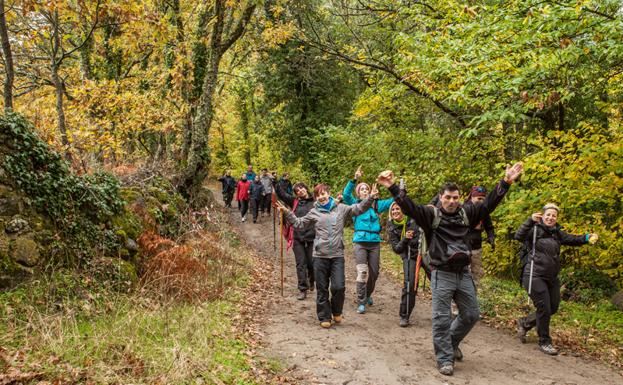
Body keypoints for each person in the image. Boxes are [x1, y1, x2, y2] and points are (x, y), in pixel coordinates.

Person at [376, 162, 523, 376]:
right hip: (442, 273)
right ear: (441, 197)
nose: (452, 201)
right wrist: (391, 186)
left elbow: (489, 204)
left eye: (456, 197)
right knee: (441, 317)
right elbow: (409, 207)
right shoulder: (430, 215)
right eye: (448, 197)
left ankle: (451, 343)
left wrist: (506, 181)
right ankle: (444, 358)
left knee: (471, 314)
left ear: (460, 198)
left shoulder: (467, 213)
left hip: (463, 274)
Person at [276, 183, 376, 328]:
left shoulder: (341, 209)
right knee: (322, 288)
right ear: (316, 197)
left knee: (339, 287)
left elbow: (359, 208)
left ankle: (336, 311)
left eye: (324, 193)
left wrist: (371, 197)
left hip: (337, 255)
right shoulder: (314, 212)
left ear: (329, 193)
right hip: (320, 256)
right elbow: (299, 224)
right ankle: (324, 316)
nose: (321, 197)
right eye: (318, 195)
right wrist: (286, 212)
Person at [515, 204, 598, 356]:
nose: (551, 217)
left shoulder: (556, 233)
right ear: (543, 215)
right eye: (548, 214)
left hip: (551, 277)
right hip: (534, 275)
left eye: (554, 215)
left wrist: (586, 238)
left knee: (552, 307)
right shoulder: (534, 230)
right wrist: (529, 220)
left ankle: (525, 323)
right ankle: (544, 341)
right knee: (544, 307)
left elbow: (573, 239)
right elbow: (518, 236)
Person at [342, 166, 394, 314]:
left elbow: (394, 200)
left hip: (375, 242)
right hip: (360, 241)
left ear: (371, 191)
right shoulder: (355, 204)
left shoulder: (377, 204)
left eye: (366, 189)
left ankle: (368, 294)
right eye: (362, 189)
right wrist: (355, 179)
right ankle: (361, 300)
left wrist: (392, 186)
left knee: (374, 272)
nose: (365, 191)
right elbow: (346, 194)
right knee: (362, 272)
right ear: (358, 193)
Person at [276, 180, 316, 300]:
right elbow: (281, 194)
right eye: (297, 191)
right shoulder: (294, 201)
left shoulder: (315, 201)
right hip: (297, 237)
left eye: (301, 188)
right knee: (300, 264)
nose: (300, 191)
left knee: (312, 263)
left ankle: (311, 279)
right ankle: (302, 289)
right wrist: (275, 182)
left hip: (312, 237)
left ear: (306, 188)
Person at [387, 202, 422, 327]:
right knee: (410, 284)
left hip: (426, 253)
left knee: (440, 279)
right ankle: (404, 315)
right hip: (409, 256)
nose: (395, 211)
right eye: (393, 210)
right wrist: (405, 238)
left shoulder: (413, 219)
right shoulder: (391, 226)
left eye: (398, 209)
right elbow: (396, 249)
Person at [464, 186, 495, 287]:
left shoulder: (484, 211)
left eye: (483, 199)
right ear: (472, 197)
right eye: (479, 198)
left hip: (477, 247)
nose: (481, 201)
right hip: (464, 247)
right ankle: (459, 298)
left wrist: (491, 237)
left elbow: (489, 226)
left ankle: (472, 297)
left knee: (476, 274)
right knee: (464, 273)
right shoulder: (464, 209)